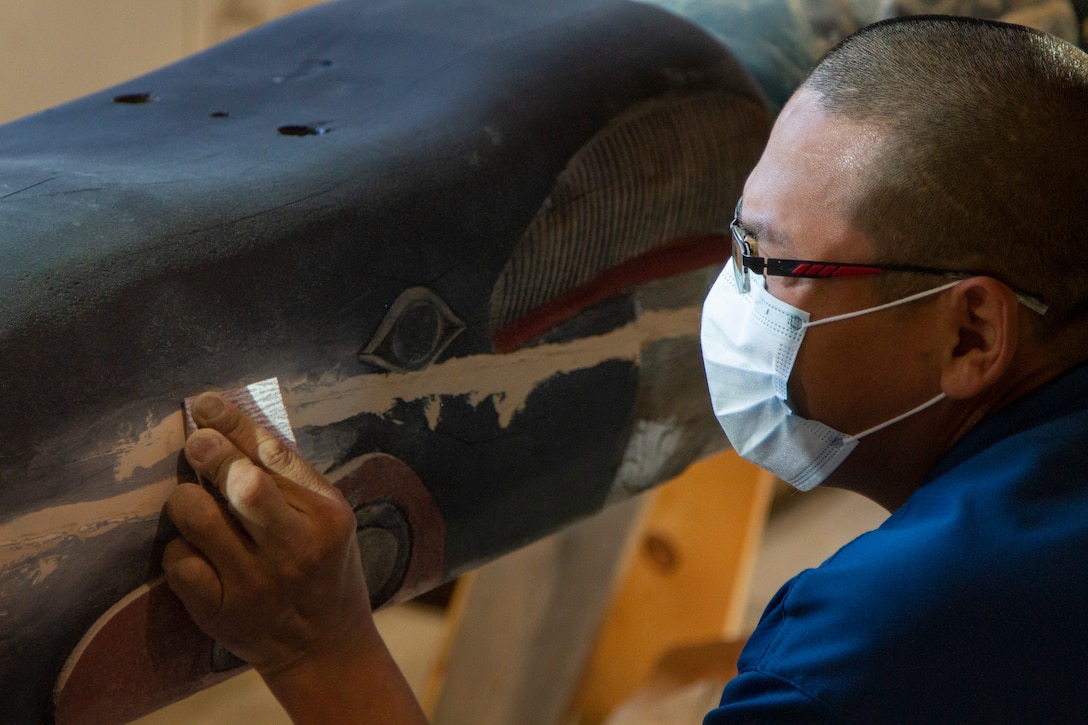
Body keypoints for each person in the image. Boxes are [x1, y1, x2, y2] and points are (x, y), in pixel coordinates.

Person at [164, 15, 1088, 723]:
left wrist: (318, 649)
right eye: (736, 242)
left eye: (772, 264)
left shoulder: (879, 637)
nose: (730, 296)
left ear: (972, 334)